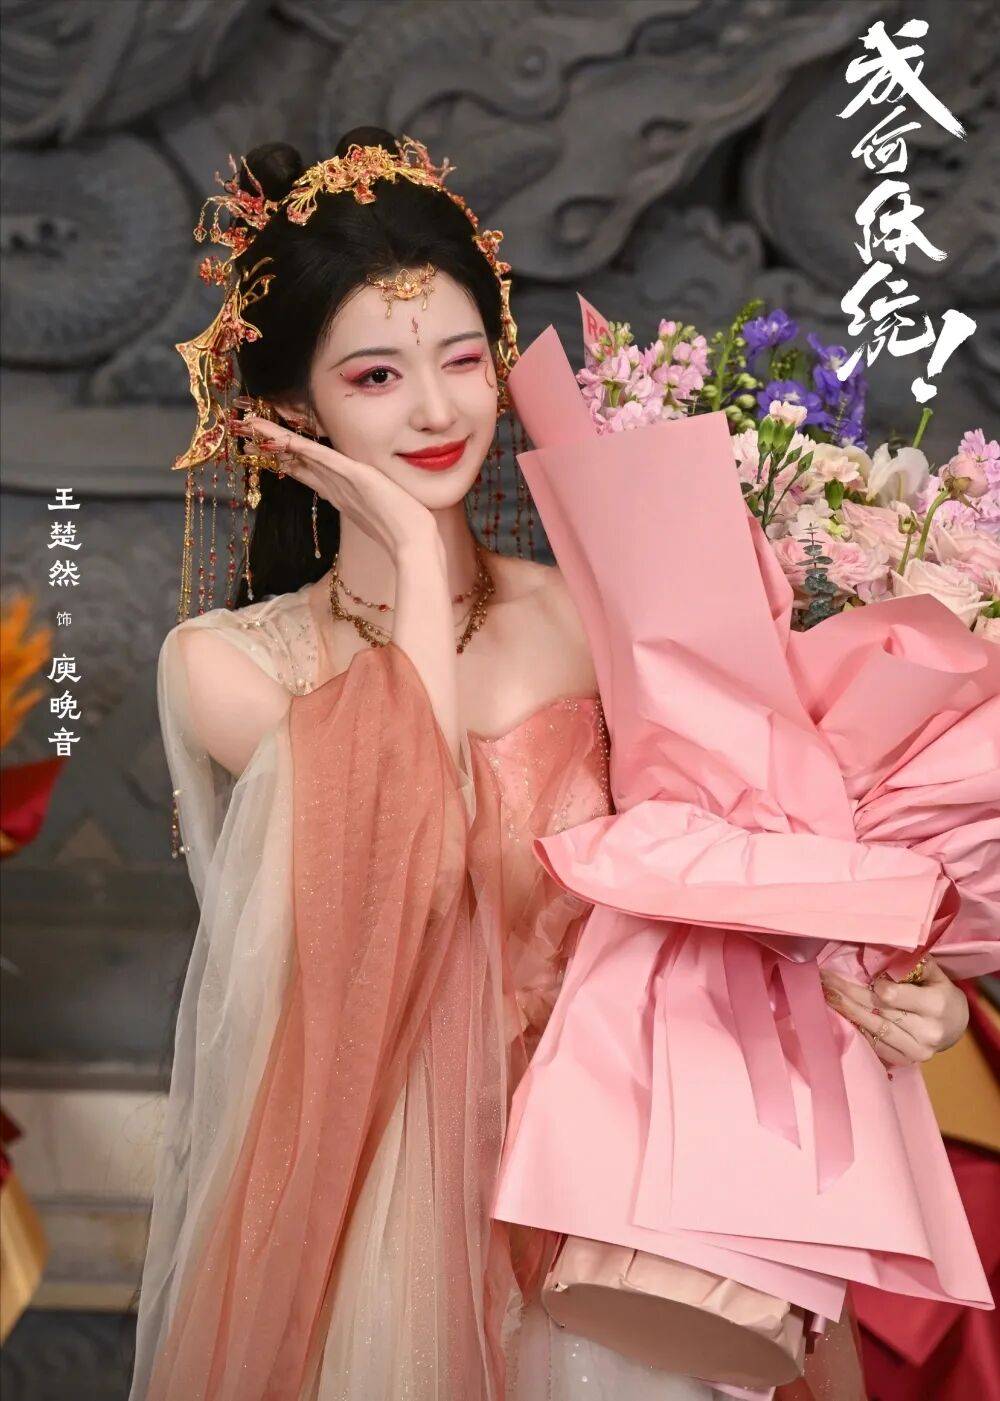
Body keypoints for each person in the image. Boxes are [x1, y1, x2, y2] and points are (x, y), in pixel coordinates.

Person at [130, 127, 972, 1401]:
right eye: (375, 375)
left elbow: (747, 875)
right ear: (293, 412)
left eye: (464, 358)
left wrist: (903, 982)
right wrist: (412, 557)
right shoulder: (230, 666)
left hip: (622, 1185)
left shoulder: (598, 615)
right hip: (391, 1203)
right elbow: (401, 875)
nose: (436, 409)